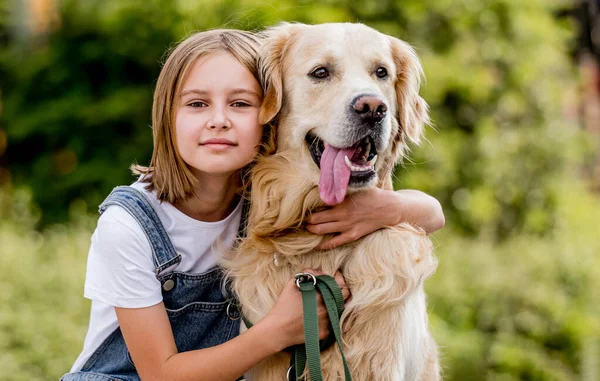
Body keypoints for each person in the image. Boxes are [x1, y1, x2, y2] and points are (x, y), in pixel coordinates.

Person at [61, 29, 444, 381]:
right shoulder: (129, 227)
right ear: (165, 117)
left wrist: (387, 208)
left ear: (266, 112)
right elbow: (161, 375)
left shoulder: (261, 206)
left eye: (241, 103)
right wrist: (277, 330)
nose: (219, 121)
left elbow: (433, 213)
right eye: (321, 73)